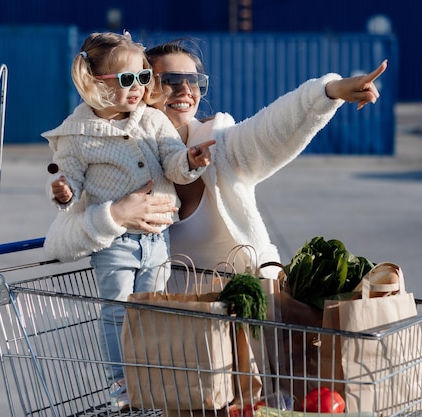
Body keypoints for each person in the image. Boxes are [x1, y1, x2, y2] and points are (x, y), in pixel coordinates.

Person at [46, 39, 387, 279]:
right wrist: (115, 215)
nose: (186, 92)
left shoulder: (218, 144)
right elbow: (59, 240)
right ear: (143, 89)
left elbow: (272, 129)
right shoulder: (110, 158)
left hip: (241, 313)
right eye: (171, 81)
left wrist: (329, 92)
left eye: (194, 82)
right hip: (165, 328)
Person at [42, 32, 214, 410]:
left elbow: (173, 160)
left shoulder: (152, 120)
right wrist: (64, 191)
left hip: (156, 239)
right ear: (95, 84)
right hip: (115, 241)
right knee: (118, 310)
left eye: (142, 78)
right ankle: (122, 382)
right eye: (126, 80)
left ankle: (149, 375)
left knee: (152, 310)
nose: (137, 88)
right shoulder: (78, 134)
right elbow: (70, 177)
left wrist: (190, 161)